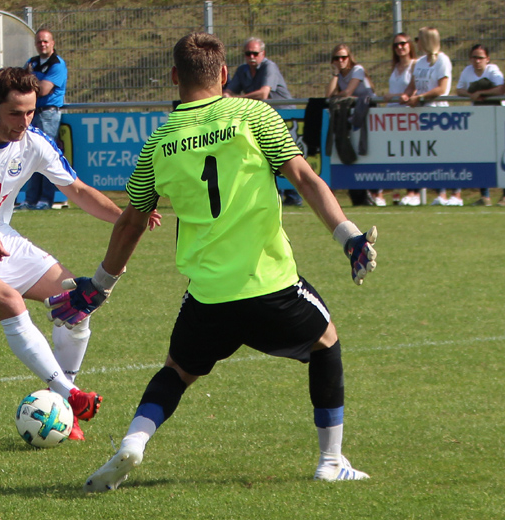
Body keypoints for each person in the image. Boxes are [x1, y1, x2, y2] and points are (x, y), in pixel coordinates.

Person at [43, 33, 378, 492]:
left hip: (207, 294)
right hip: (270, 285)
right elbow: (304, 176)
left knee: (177, 372)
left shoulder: (159, 142)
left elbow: (130, 224)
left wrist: (100, 286)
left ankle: (134, 441)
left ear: (176, 77)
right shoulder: (252, 115)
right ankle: (331, 460)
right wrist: (349, 236)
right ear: (224, 75)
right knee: (326, 341)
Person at [0, 67, 161, 441]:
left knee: (76, 304)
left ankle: (66, 405)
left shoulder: (34, 141)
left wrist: (129, 217)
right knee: (11, 302)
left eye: (30, 112)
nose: (23, 122)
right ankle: (70, 395)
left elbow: (76, 190)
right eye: (15, 113)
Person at [222, 37, 301, 206]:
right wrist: (227, 97)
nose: (251, 57)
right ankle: (276, 194)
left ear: (262, 54)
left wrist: (238, 99)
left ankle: (295, 196)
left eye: (255, 53)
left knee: (285, 157)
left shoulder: (269, 66)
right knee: (265, 158)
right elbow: (228, 91)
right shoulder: (243, 70)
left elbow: (264, 93)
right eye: (248, 53)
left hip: (283, 116)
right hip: (261, 117)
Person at [401, 28, 457, 206]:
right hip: (421, 114)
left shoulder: (442, 60)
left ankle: (449, 194)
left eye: (418, 39)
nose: (415, 42)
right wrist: (407, 95)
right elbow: (412, 85)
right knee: (426, 154)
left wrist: (421, 97)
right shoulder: (419, 62)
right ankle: (430, 193)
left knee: (442, 154)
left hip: (438, 113)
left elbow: (442, 88)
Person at [325, 44, 383, 206]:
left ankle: (378, 193)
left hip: (370, 113)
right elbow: (329, 95)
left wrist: (337, 96)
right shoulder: (339, 74)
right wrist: (335, 75)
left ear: (350, 58)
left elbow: (347, 93)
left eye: (344, 57)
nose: (340, 61)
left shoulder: (357, 70)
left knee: (372, 151)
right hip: (353, 116)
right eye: (337, 58)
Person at [17, 28, 68, 211]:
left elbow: (44, 90)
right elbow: (20, 84)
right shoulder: (32, 62)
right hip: (31, 112)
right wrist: (32, 82)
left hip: (48, 114)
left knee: (45, 155)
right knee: (31, 155)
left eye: (46, 41)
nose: (42, 44)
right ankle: (30, 199)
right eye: (39, 42)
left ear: (52, 43)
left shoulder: (57, 64)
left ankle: (45, 199)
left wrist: (29, 80)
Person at [456, 44, 505, 207]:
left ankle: (504, 196)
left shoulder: (492, 71)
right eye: (474, 57)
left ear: (488, 59)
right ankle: (485, 196)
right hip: (478, 117)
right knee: (481, 154)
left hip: (496, 115)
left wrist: (482, 93)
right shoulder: (467, 71)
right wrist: (471, 94)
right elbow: (459, 90)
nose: (477, 61)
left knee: (501, 156)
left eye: (480, 57)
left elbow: (501, 88)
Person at [383, 33, 421, 206]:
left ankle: (413, 192)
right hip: (393, 116)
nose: (400, 47)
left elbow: (412, 91)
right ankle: (397, 193)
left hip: (408, 115)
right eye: (396, 45)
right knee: (395, 154)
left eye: (403, 44)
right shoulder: (395, 66)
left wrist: (393, 96)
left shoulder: (415, 65)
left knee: (410, 153)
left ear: (409, 45)